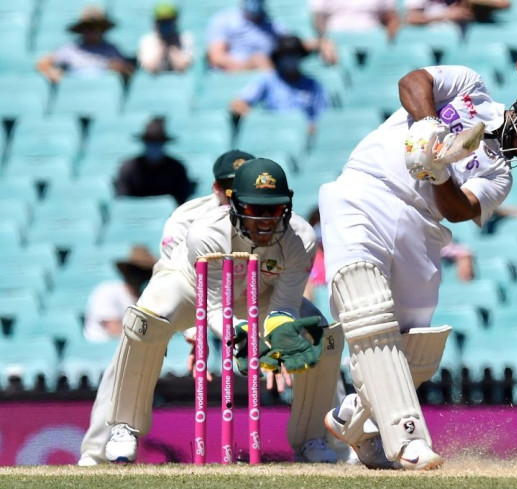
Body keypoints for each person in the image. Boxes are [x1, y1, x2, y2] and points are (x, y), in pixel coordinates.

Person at [318, 64, 517, 470]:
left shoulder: (499, 176)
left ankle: (354, 417)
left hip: (422, 226)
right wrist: (427, 129)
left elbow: (459, 210)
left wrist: (438, 170)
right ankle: (407, 438)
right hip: (365, 190)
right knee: (366, 307)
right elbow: (411, 81)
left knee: (417, 346)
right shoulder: (470, 88)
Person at [79, 157, 345, 466]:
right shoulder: (203, 230)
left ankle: (312, 440)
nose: (264, 222)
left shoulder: (301, 240)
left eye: (272, 210)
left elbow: (283, 306)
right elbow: (215, 306)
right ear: (233, 203)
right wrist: (241, 339)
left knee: (324, 338)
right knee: (143, 323)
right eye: (255, 210)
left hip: (259, 292)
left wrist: (281, 337)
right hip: (189, 286)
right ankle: (124, 427)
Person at [229, 35, 329, 136]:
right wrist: (262, 121)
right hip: (275, 134)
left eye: (294, 54)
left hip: (306, 136)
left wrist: (311, 127)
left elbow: (324, 116)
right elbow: (237, 104)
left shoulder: (313, 84)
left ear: (300, 56)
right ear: (279, 58)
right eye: (286, 55)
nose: (290, 59)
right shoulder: (268, 79)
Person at [207, 0, 336, 72]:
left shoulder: (273, 25)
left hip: (267, 71)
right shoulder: (223, 19)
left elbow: (293, 45)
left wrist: (321, 42)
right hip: (235, 75)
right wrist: (248, 64)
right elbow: (216, 57)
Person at [36, 6, 135, 84]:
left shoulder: (111, 49)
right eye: (87, 28)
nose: (91, 32)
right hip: (74, 95)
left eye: (96, 28)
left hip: (102, 96)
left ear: (102, 30)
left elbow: (128, 69)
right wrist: (52, 73)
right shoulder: (70, 49)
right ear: (81, 30)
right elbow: (43, 63)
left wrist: (119, 69)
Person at [84, 246, 157, 342]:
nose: (139, 276)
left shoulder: (145, 298)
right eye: (135, 271)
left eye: (144, 272)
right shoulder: (107, 291)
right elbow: (114, 329)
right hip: (101, 349)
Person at [114, 117, 192, 206]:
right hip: (134, 216)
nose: (154, 147)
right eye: (150, 142)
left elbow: (181, 201)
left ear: (164, 144)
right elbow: (123, 201)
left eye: (158, 143)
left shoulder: (177, 168)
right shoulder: (129, 168)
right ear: (144, 143)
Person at [137, 2, 195, 73]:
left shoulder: (185, 38)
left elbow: (184, 67)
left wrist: (172, 47)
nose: (165, 25)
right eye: (162, 22)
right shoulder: (147, 41)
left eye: (169, 21)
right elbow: (149, 68)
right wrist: (161, 45)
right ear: (156, 23)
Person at [310, 0, 401, 41]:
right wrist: (325, 41)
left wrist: (387, 44)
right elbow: (318, 18)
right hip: (336, 42)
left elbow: (391, 17)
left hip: (373, 41)